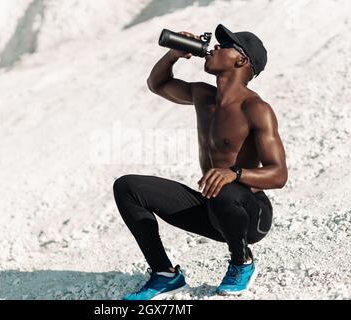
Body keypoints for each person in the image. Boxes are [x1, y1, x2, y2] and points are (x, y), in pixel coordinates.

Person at [113, 24, 288, 300]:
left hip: (249, 216)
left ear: (241, 60)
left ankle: (241, 262)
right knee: (127, 187)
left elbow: (278, 175)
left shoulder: (255, 109)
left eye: (225, 45)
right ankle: (164, 274)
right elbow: (157, 84)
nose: (215, 47)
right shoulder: (203, 96)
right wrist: (173, 55)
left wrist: (235, 173)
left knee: (224, 188)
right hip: (212, 208)